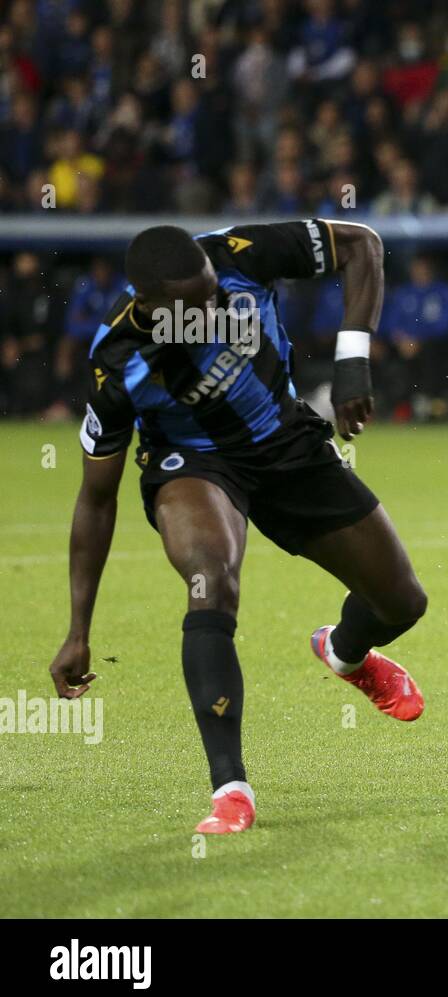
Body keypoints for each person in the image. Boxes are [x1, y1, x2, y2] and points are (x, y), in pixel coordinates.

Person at [48, 219, 428, 835]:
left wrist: (353, 359)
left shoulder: (236, 253)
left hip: (287, 443)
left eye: (214, 291)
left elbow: (362, 245)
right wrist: (77, 629)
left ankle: (345, 653)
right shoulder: (118, 362)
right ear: (149, 306)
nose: (216, 306)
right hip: (193, 464)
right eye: (197, 306)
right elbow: (96, 499)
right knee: (211, 578)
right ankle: (230, 789)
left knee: (403, 600)